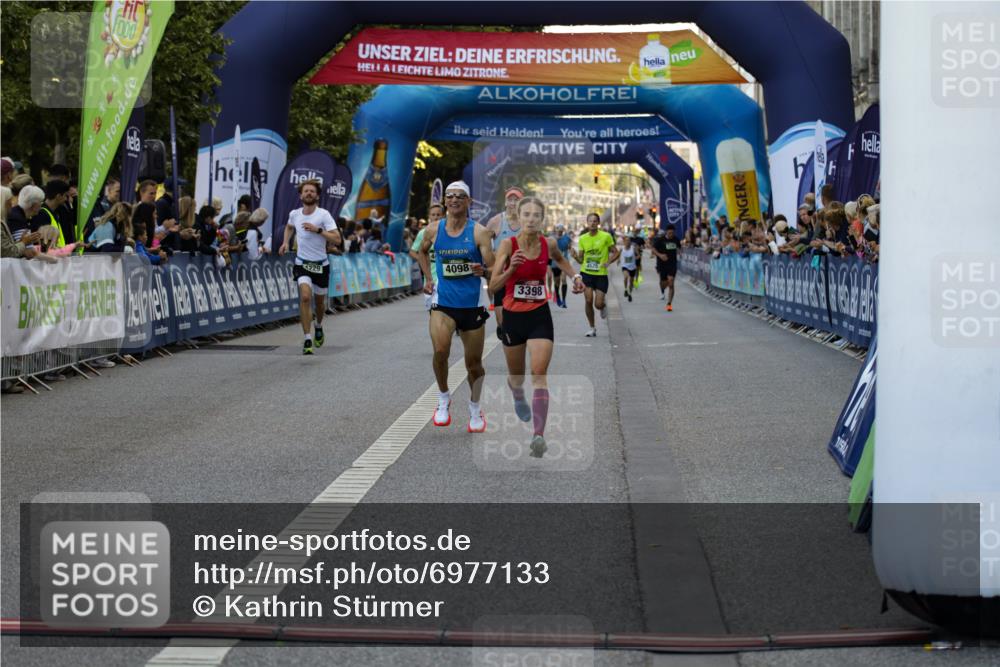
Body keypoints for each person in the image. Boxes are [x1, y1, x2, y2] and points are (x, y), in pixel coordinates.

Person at [490, 196, 584, 457]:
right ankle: (518, 396)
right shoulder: (507, 246)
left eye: (536, 215)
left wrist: (575, 276)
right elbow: (494, 286)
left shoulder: (548, 243)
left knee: (539, 372)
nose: (531, 219)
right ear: (518, 218)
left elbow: (561, 260)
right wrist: (511, 270)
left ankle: (539, 434)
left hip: (539, 314)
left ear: (543, 220)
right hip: (512, 316)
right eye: (526, 215)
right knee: (517, 377)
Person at [416, 181, 495, 432]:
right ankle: (443, 398)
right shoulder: (433, 229)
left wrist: (484, 271)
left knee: (474, 364)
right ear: (445, 202)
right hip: (444, 303)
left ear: (468, 202)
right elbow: (420, 252)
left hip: (472, 305)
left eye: (460, 196)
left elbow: (494, 270)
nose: (454, 200)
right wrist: (429, 278)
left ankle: (474, 407)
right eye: (450, 196)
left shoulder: (479, 232)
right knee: (440, 350)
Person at [279, 179, 341, 355]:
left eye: (312, 191)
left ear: (317, 195)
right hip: (302, 263)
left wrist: (318, 230)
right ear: (300, 195)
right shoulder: (295, 214)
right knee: (306, 297)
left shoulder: (323, 215)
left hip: (321, 265)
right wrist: (285, 242)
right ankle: (307, 339)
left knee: (320, 303)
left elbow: (337, 239)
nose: (308, 193)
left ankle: (318, 326)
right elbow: (289, 227)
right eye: (305, 191)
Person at [485, 186, 524, 337]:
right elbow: (484, 245)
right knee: (503, 323)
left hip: (521, 277)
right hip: (502, 275)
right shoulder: (495, 221)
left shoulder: (527, 222)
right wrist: (491, 265)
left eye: (517, 200)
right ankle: (502, 327)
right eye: (510, 199)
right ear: (505, 202)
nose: (513, 203)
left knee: (518, 319)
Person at [572, 212, 619, 337]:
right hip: (586, 273)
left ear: (598, 223)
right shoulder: (583, 238)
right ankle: (592, 328)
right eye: (590, 221)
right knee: (588, 300)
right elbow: (581, 260)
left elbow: (616, 252)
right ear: (587, 223)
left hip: (601, 275)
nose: (592, 223)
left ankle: (602, 307)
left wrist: (609, 262)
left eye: (595, 221)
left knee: (597, 304)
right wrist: (575, 256)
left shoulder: (606, 236)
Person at [409, 203, 443, 311]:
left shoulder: (449, 233)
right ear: (429, 216)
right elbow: (412, 252)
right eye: (433, 215)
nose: (435, 217)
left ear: (443, 216)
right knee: (433, 314)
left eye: (438, 214)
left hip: (446, 280)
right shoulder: (423, 233)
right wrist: (423, 259)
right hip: (430, 280)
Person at [650, 224, 680, 311]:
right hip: (662, 264)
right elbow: (653, 249)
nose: (671, 235)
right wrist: (660, 255)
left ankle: (669, 304)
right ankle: (662, 289)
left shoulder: (676, 239)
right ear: (666, 232)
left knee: (671, 283)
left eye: (673, 233)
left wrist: (679, 252)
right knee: (663, 284)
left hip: (672, 264)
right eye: (670, 233)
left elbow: (679, 248)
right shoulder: (660, 240)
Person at [548, 224, 572, 308]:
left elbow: (570, 248)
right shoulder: (551, 239)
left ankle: (564, 301)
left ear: (563, 230)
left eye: (561, 229)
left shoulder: (567, 238)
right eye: (558, 229)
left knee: (564, 280)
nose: (559, 230)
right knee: (557, 282)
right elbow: (548, 250)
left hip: (564, 262)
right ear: (555, 230)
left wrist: (571, 250)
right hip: (555, 263)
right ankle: (558, 297)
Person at [620, 236, 637, 302]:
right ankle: (625, 289)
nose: (628, 242)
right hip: (625, 266)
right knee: (626, 277)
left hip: (632, 267)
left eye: (629, 240)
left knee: (631, 281)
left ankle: (630, 294)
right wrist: (619, 260)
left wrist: (637, 257)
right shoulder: (622, 249)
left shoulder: (633, 248)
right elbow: (619, 255)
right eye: (626, 241)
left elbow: (638, 255)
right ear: (624, 242)